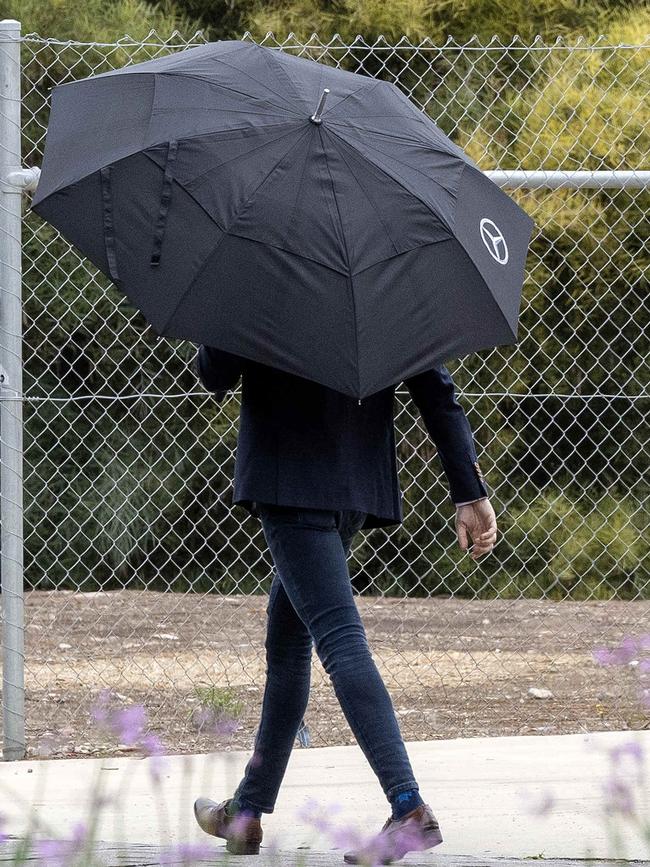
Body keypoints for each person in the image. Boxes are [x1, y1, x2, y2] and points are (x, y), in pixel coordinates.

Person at [192, 345, 497, 864]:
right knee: (288, 642)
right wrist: (468, 490)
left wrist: (216, 326)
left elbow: (214, 373)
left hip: (289, 479)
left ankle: (408, 808)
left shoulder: (264, 267)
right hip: (355, 483)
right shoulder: (386, 270)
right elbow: (433, 384)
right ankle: (245, 812)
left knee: (339, 641)